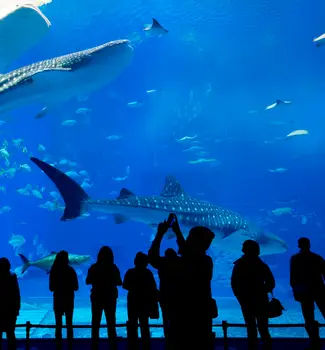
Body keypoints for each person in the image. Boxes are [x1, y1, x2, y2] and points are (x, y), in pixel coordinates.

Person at [231, 240, 275, 350]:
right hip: (261, 300)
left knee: (251, 328)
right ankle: (267, 347)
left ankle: (252, 347)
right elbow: (271, 282)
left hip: (246, 300)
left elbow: (234, 283)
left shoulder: (239, 264)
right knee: (263, 328)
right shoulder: (261, 264)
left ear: (244, 250)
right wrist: (262, 291)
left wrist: (240, 297)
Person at [148, 219, 184, 348]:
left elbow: (152, 255)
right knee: (181, 323)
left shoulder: (162, 264)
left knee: (167, 321)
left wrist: (160, 233)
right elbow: (185, 252)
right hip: (181, 298)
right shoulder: (182, 264)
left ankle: (169, 343)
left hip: (166, 297)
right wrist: (178, 232)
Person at [290, 237, 325, 350]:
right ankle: (314, 340)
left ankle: (314, 340)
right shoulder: (317, 258)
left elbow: (293, 278)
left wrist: (295, 291)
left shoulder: (295, 259)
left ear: (299, 245)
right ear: (309, 245)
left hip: (304, 292)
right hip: (319, 290)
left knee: (308, 317)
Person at [86, 246, 122, 348]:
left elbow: (87, 281)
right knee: (111, 322)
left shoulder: (94, 267)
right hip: (110, 297)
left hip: (97, 297)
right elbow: (119, 282)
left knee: (95, 322)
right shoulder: (113, 267)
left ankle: (94, 345)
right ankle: (113, 345)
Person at [123, 252, 158, 350]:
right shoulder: (148, 273)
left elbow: (125, 285)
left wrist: (134, 288)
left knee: (132, 323)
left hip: (133, 301)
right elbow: (153, 287)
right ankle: (146, 345)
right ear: (146, 262)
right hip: (144, 301)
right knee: (144, 324)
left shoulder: (130, 272)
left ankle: (132, 344)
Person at [49, 250, 79, 348]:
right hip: (69, 300)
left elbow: (51, 288)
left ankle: (58, 346)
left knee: (58, 325)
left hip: (57, 299)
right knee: (69, 325)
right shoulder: (71, 271)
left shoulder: (53, 270)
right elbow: (76, 287)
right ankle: (70, 346)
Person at [0, 258, 20, 350]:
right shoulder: (12, 276)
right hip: (11, 311)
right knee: (11, 334)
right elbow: (16, 294)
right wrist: (17, 309)